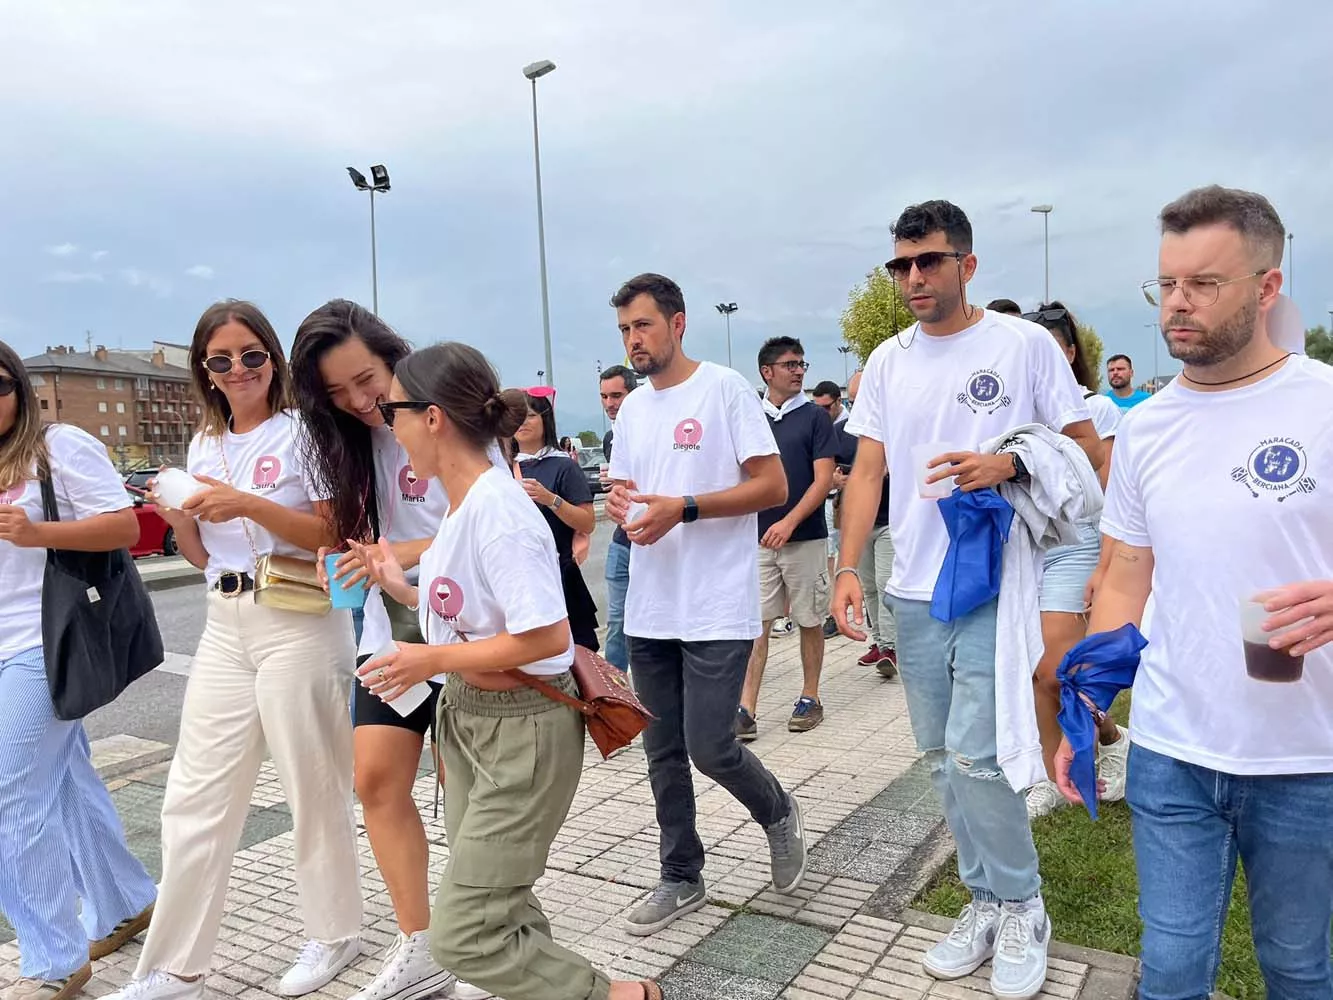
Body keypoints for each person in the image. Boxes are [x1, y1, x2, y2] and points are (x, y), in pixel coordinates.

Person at [1056, 185, 1333, 1000]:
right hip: (1173, 748)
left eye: (1203, 285)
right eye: (1166, 284)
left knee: (1297, 965)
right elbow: (1125, 573)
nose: (1177, 305)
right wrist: (1088, 701)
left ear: (1267, 287)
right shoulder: (1145, 426)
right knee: (1171, 970)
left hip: (1306, 755)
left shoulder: (1322, 402)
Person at [831, 201, 1101, 1000]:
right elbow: (869, 471)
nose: (914, 277)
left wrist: (1009, 466)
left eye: (929, 261)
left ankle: (1023, 904)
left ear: (966, 266)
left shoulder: (1019, 347)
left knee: (976, 756)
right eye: (901, 265)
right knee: (940, 761)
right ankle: (983, 898)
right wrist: (848, 568)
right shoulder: (885, 361)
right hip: (910, 586)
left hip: (990, 578)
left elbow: (1086, 453)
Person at [350, 342, 664, 1000]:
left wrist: (428, 658)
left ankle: (619, 997)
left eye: (393, 409)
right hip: (472, 721)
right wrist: (402, 592)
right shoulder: (462, 509)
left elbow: (545, 635)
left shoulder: (498, 511)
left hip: (522, 731)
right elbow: (470, 614)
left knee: (464, 934)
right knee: (501, 905)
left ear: (432, 417)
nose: (388, 424)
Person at [109, 301, 362, 1000]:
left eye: (251, 354)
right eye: (220, 360)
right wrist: (179, 515)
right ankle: (175, 965)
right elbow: (196, 553)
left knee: (313, 785)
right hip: (225, 619)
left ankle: (335, 930)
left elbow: (331, 534)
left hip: (299, 618)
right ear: (204, 370)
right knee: (192, 795)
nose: (238, 369)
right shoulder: (202, 444)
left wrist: (246, 504)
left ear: (273, 359)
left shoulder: (305, 432)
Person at [288, 300, 491, 1000]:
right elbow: (351, 543)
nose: (358, 401)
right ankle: (423, 944)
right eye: (336, 393)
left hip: (471, 635)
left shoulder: (449, 411)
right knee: (374, 780)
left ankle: (492, 945)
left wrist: (388, 553)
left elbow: (486, 525)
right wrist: (340, 562)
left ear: (392, 355)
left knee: (475, 802)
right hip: (390, 633)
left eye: (365, 379)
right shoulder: (340, 443)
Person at [605, 273, 807, 937]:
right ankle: (680, 875)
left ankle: (776, 809)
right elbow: (634, 494)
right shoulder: (632, 410)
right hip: (650, 605)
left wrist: (684, 508)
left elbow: (771, 484)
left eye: (643, 325)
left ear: (678, 323)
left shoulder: (721, 389)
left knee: (710, 748)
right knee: (660, 750)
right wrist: (621, 506)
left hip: (716, 604)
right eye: (625, 330)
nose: (634, 339)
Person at [0, 342, 158, 1000]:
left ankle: (56, 958)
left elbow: (125, 526)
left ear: (20, 385)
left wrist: (36, 534)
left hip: (43, 641)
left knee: (9, 796)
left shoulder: (56, 447)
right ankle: (123, 900)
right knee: (64, 781)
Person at [1020, 303, 1128, 819]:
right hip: (1025, 548)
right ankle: (1076, 754)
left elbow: (1111, 491)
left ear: (1068, 351)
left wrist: (1103, 566)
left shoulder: (1095, 411)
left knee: (1053, 672)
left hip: (1078, 544)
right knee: (1036, 672)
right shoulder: (1018, 412)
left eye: (1050, 345)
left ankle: (1097, 745)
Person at [736, 340, 836, 740]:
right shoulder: (749, 417)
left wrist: (791, 523)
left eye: (801, 363)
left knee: (810, 618)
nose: (798, 371)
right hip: (757, 540)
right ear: (767, 372)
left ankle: (810, 696)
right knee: (756, 624)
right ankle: (746, 706)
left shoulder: (815, 418)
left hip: (806, 537)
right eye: (790, 364)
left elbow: (823, 478)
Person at [514, 389, 600, 651]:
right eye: (516, 416)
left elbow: (587, 522)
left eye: (529, 415)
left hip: (559, 575)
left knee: (576, 659)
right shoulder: (500, 467)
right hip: (516, 578)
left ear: (545, 420)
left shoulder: (563, 466)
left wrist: (550, 499)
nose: (522, 422)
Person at [844, 369, 897, 677]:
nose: (855, 406)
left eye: (859, 399)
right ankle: (879, 641)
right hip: (863, 523)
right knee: (869, 588)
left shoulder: (897, 425)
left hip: (891, 520)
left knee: (884, 583)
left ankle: (892, 646)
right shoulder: (847, 432)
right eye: (852, 400)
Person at [599, 365, 638, 671]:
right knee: (616, 623)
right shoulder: (610, 437)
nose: (610, 403)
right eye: (604, 397)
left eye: (616, 395)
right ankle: (614, 696)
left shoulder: (652, 430)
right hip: (621, 542)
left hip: (651, 540)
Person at [811, 379, 851, 641]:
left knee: (844, 557)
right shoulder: (818, 423)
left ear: (838, 401)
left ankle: (841, 612)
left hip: (849, 499)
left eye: (827, 407)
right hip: (826, 499)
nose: (822, 411)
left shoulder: (852, 427)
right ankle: (833, 612)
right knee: (829, 556)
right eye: (818, 407)